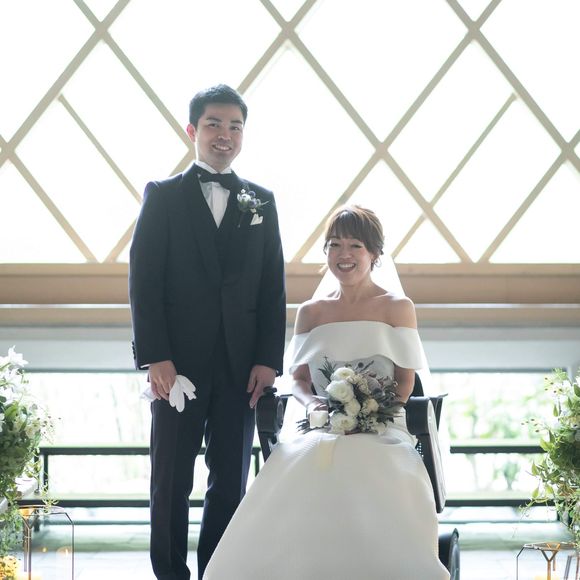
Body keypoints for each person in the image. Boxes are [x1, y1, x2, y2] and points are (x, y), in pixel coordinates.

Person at [203, 205, 450, 579]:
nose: (344, 254)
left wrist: (371, 415)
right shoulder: (311, 312)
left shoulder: (398, 308)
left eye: (355, 245)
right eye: (335, 245)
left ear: (374, 253)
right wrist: (314, 404)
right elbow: (299, 381)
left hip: (383, 426)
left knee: (377, 462)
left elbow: (404, 382)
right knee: (296, 462)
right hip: (320, 424)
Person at [129, 84, 286, 580]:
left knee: (231, 482)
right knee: (171, 480)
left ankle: (218, 572)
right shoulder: (163, 196)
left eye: (235, 126)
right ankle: (170, 574)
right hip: (177, 366)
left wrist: (268, 359)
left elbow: (273, 286)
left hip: (241, 368)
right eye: (215, 124)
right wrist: (156, 356)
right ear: (192, 130)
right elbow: (144, 281)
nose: (225, 135)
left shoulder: (261, 201)